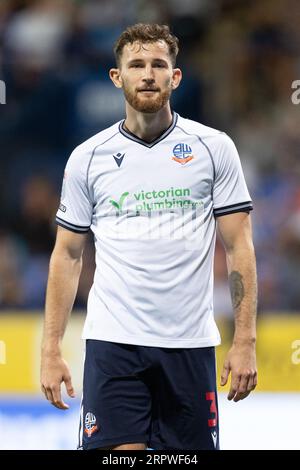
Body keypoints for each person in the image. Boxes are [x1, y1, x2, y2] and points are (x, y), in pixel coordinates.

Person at [40, 23, 257, 451]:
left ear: (175, 77)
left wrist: (245, 341)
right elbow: (67, 256)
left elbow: (238, 246)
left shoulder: (213, 149)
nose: (148, 74)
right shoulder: (87, 159)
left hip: (190, 344)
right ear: (116, 77)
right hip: (113, 343)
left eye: (159, 65)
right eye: (136, 64)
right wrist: (50, 350)